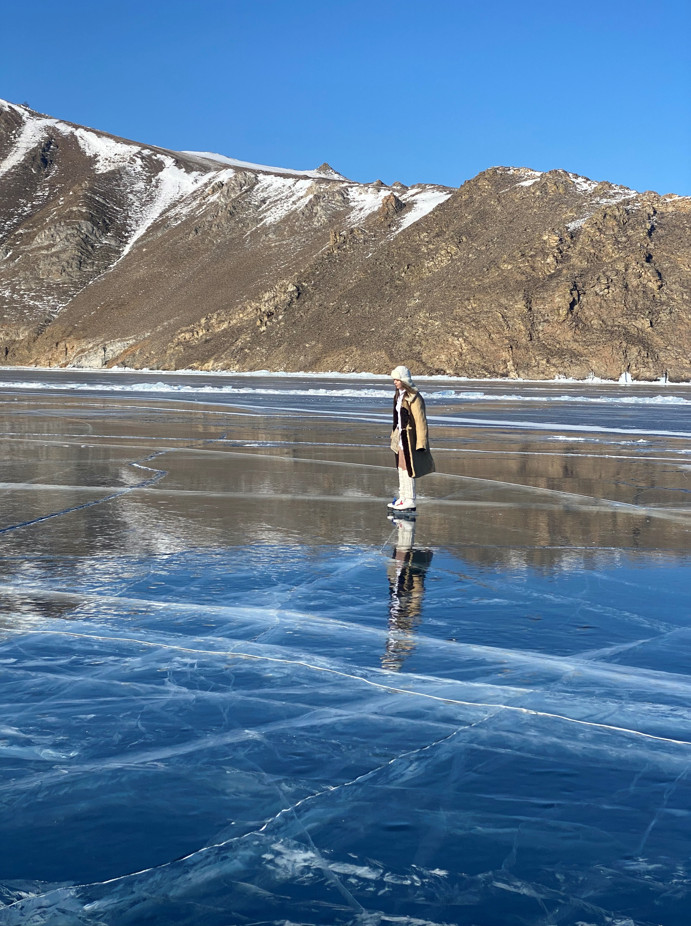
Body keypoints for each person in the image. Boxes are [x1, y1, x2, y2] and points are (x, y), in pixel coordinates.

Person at [388, 365, 435, 512]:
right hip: (401, 438)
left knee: (409, 468)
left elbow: (421, 422)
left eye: (397, 379)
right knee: (401, 468)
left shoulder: (414, 397)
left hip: (410, 439)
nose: (395, 382)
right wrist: (394, 435)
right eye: (394, 379)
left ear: (404, 379)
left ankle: (410, 499)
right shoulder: (399, 395)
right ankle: (403, 497)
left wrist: (421, 443)